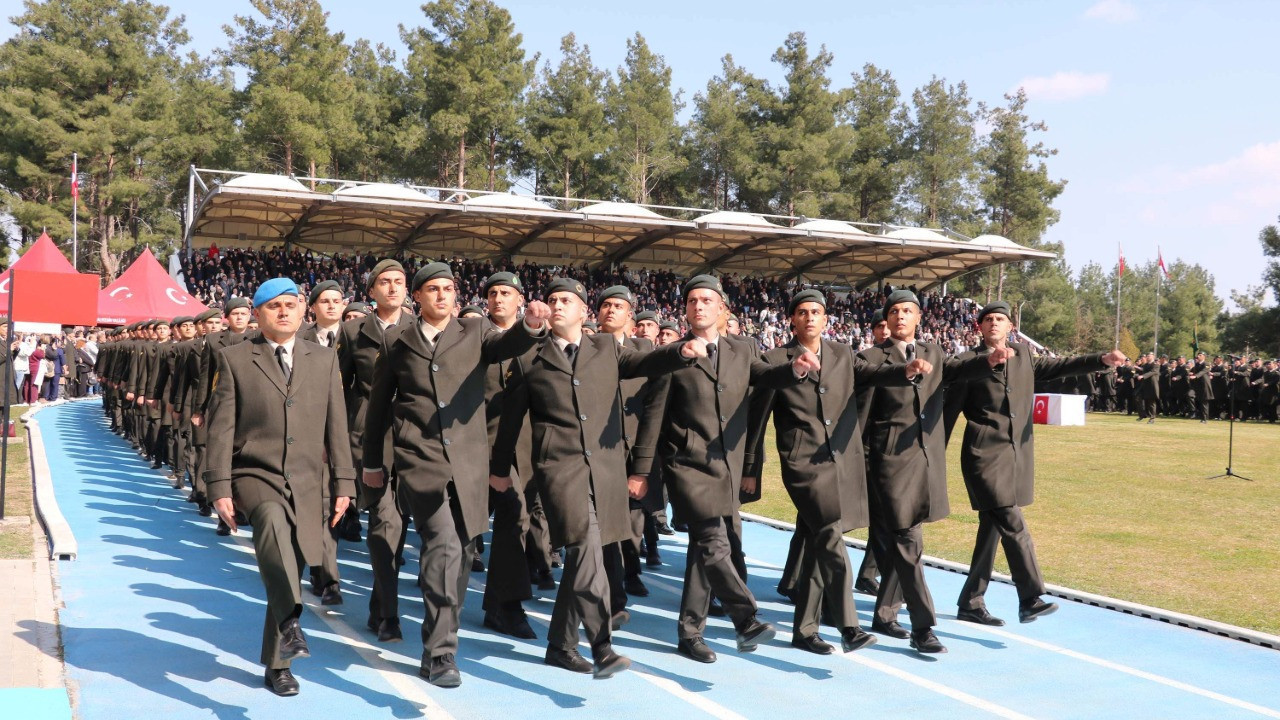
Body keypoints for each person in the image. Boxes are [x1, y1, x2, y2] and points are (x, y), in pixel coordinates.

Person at [492, 277, 696, 678]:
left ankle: (560, 644)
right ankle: (602, 643)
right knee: (585, 547)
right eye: (552, 300)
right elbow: (510, 420)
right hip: (559, 469)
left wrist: (681, 353)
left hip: (603, 468)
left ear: (584, 310)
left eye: (566, 299)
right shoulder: (529, 357)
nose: (557, 305)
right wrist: (499, 470)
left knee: (582, 558)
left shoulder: (605, 348)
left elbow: (645, 363)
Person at [360, 262, 550, 688]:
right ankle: (440, 653)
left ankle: (442, 632)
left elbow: (507, 345)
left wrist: (532, 325)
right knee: (444, 545)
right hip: (419, 458)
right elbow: (377, 410)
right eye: (432, 289)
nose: (442, 295)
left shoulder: (475, 332)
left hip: (468, 460)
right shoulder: (397, 341)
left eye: (448, 288)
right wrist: (373, 464)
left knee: (463, 553)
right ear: (419, 296)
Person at [632, 274, 815, 664]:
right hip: (686, 465)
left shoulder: (741, 349)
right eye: (692, 301)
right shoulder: (674, 354)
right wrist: (641, 470)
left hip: (725, 466)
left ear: (721, 309)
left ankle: (690, 632)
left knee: (705, 551)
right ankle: (746, 618)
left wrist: (795, 370)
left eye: (706, 300)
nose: (698, 306)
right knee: (714, 541)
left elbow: (764, 376)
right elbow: (653, 416)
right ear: (685, 310)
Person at [749, 290, 929, 654]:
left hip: (841, 463)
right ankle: (849, 626)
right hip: (803, 465)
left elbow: (873, 373)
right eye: (802, 312)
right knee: (830, 535)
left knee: (819, 542)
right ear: (792, 320)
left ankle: (805, 630)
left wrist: (905, 371)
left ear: (826, 318)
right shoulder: (773, 358)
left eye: (817, 311)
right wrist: (750, 468)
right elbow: (757, 417)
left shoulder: (842, 354)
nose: (810, 317)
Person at [203, 278, 356, 697]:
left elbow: (336, 428)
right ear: (258, 313)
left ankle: (278, 663)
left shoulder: (323, 360)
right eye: (274, 306)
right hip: (256, 473)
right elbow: (221, 428)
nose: (284, 312)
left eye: (291, 304)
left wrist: (344, 482)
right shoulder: (235, 359)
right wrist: (218, 485)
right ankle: (292, 621)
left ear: (303, 310)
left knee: (293, 565)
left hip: (309, 480)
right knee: (270, 523)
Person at [944, 301, 1125, 626]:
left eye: (1000, 319)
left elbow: (1060, 366)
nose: (994, 323)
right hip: (983, 457)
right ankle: (1030, 597)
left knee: (992, 530)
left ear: (1011, 326)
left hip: (1016, 458)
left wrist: (1100, 360)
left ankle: (971, 601)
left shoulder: (1023, 357)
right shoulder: (966, 363)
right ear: (979, 327)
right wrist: (929, 461)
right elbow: (947, 415)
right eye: (988, 319)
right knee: (1013, 522)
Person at [856, 289, 1005, 654]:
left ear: (919, 317)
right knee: (908, 541)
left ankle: (885, 613)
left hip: (924, 463)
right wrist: (902, 372)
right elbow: (866, 395)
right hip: (888, 464)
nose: (901, 316)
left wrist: (988, 360)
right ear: (887, 320)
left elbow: (956, 369)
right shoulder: (870, 357)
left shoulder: (933, 352)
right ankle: (923, 627)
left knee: (905, 540)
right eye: (894, 311)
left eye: (908, 311)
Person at [336, 259, 416, 643]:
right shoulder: (352, 332)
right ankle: (389, 616)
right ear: (371, 291)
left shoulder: (421, 329)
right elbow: (337, 391)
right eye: (384, 282)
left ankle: (377, 606)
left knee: (401, 535)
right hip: (371, 441)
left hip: (417, 441)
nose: (392, 288)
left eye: (399, 282)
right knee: (387, 523)